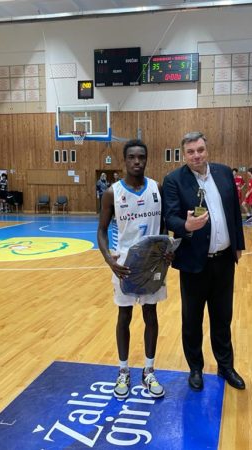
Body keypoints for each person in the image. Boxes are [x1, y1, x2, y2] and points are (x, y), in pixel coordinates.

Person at [162, 131, 246, 392]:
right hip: (194, 262)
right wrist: (186, 225)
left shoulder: (224, 173)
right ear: (183, 154)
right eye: (190, 152)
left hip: (224, 261)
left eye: (200, 150)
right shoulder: (174, 180)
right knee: (192, 320)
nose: (196, 155)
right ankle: (195, 368)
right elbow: (170, 217)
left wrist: (238, 245)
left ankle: (226, 366)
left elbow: (234, 212)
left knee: (223, 317)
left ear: (206, 150)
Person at [97, 140, 169, 399]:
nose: (137, 161)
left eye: (141, 157)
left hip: (152, 264)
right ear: (124, 160)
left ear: (146, 159)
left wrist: (166, 247)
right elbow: (101, 231)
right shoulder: (111, 193)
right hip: (124, 265)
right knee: (124, 316)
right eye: (131, 157)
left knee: (151, 314)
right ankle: (123, 371)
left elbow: (163, 225)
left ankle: (148, 371)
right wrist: (109, 259)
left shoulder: (157, 189)